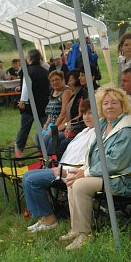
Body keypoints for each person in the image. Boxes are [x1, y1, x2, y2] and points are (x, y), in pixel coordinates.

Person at [60, 85, 131, 251]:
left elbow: (116, 163)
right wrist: (83, 170)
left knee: (80, 184)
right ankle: (76, 228)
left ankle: (84, 235)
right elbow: (93, 154)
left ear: (123, 106)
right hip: (108, 174)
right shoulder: (103, 125)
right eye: (105, 103)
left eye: (114, 103)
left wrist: (86, 173)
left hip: (127, 178)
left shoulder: (127, 130)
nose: (109, 106)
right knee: (72, 179)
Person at [22, 99, 95, 233]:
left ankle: (50, 220)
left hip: (72, 171)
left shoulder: (96, 135)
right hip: (62, 167)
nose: (87, 117)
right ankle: (43, 217)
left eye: (90, 113)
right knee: (26, 175)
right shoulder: (84, 132)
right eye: (85, 113)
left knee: (31, 180)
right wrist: (58, 167)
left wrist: (63, 170)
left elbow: (85, 160)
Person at [15, 50, 51, 153]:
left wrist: (22, 101)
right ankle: (45, 149)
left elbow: (26, 87)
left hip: (30, 105)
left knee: (24, 130)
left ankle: (19, 150)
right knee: (45, 128)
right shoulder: (45, 71)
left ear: (29, 59)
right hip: (44, 104)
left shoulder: (27, 72)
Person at [38, 70, 69, 153]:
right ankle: (42, 156)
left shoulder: (66, 92)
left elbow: (64, 112)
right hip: (52, 123)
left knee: (46, 138)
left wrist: (55, 128)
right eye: (52, 80)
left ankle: (49, 157)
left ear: (62, 79)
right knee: (38, 136)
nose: (55, 82)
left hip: (61, 123)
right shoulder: (53, 92)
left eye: (57, 79)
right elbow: (51, 111)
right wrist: (46, 124)